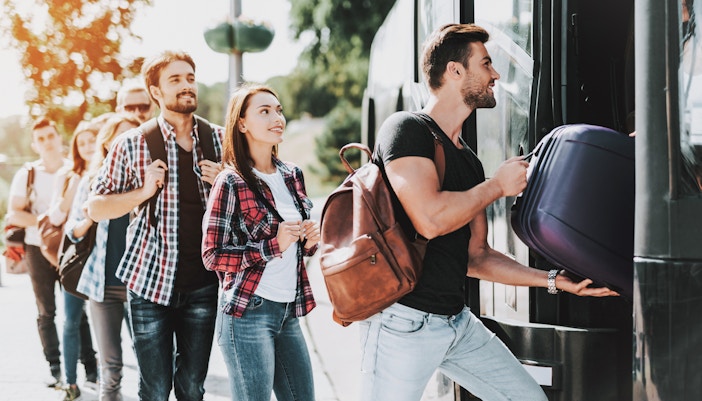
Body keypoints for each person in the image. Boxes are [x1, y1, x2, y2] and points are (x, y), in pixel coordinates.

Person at [361, 24, 619, 401]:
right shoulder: (406, 129)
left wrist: (554, 281)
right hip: (403, 324)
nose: (496, 74)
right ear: (454, 71)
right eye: (486, 64)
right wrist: (497, 187)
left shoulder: (468, 161)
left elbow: (475, 257)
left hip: (457, 324)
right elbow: (430, 220)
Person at [86, 50, 224, 401]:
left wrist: (225, 179)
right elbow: (96, 207)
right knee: (156, 389)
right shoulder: (131, 144)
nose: (186, 86)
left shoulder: (220, 141)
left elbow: (248, 208)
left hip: (204, 286)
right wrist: (143, 191)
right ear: (156, 92)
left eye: (190, 78)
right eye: (175, 80)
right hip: (149, 284)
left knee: (193, 388)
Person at [201, 84, 320, 401]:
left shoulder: (292, 174)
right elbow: (211, 255)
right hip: (247, 314)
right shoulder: (231, 180)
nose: (276, 117)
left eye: (278, 110)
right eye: (264, 111)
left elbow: (300, 249)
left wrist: (309, 240)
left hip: (288, 312)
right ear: (242, 124)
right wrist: (272, 246)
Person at [6, 117, 98, 390]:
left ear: (59, 138)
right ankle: (55, 367)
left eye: (50, 135)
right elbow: (14, 214)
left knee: (77, 312)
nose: (47, 142)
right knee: (46, 310)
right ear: (35, 144)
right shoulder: (28, 174)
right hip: (38, 249)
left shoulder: (76, 169)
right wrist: (48, 223)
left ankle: (90, 369)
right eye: (41, 138)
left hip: (71, 249)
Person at [66, 113, 141, 401]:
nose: (130, 144)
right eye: (123, 138)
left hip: (143, 288)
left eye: (136, 137)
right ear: (108, 144)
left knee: (155, 365)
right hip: (103, 285)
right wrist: (88, 219)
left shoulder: (153, 180)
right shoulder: (92, 181)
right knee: (111, 370)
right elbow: (72, 232)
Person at [46, 120, 100, 400]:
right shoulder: (68, 176)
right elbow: (58, 217)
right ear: (77, 149)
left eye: (93, 140)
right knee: (70, 321)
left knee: (120, 320)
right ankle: (70, 381)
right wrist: (77, 183)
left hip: (104, 258)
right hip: (76, 258)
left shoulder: (110, 171)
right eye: (83, 143)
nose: (89, 147)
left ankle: (103, 376)